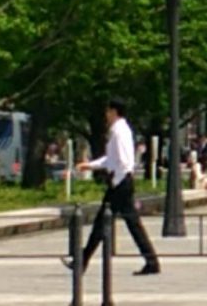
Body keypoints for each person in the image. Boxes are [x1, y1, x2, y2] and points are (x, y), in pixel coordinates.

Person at [67, 98, 160, 277]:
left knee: (103, 223)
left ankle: (82, 261)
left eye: (108, 111)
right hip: (121, 181)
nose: (106, 115)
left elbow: (123, 161)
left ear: (114, 111)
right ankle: (151, 260)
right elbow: (111, 159)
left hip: (120, 183)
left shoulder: (120, 131)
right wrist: (90, 165)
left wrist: (116, 180)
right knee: (129, 223)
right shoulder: (118, 130)